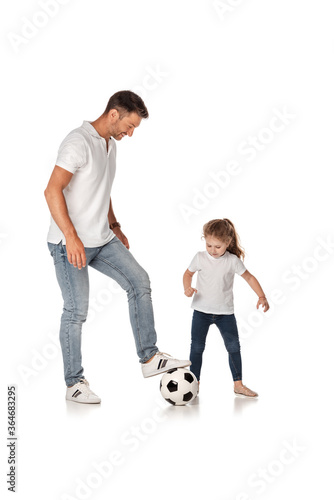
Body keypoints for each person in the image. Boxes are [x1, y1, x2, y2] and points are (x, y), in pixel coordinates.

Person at [44, 90, 190, 404]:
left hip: (101, 238)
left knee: (140, 281)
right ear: (114, 114)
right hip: (70, 243)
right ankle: (74, 384)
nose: (131, 133)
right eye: (130, 125)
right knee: (76, 311)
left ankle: (149, 359)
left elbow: (101, 188)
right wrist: (70, 236)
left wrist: (114, 225)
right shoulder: (77, 142)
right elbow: (51, 190)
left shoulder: (110, 144)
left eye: (134, 128)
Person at [183, 218, 269, 398]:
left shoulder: (233, 260)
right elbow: (188, 273)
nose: (212, 251)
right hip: (201, 311)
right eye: (209, 245)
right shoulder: (200, 257)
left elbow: (249, 278)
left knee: (233, 347)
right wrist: (187, 287)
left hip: (225, 314)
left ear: (228, 242)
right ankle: (194, 383)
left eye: (218, 247)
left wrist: (261, 296)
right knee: (197, 347)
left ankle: (238, 384)